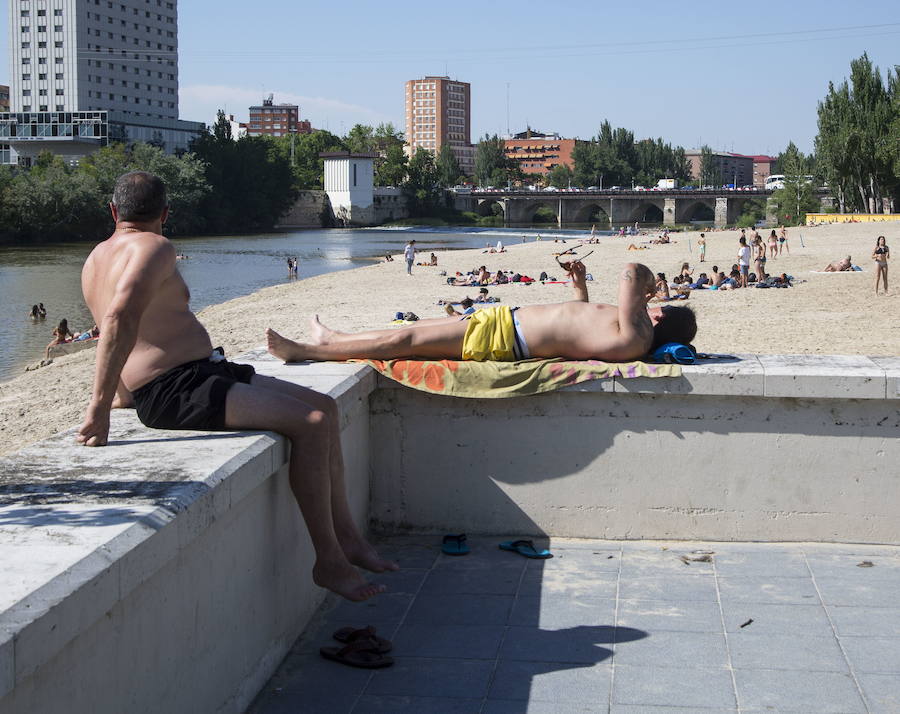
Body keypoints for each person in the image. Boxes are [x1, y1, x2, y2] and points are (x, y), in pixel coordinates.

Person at [75, 171, 395, 602]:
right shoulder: (156, 246)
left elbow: (118, 326)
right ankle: (329, 561)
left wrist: (121, 393)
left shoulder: (95, 257)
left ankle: (351, 541)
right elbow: (117, 318)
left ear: (113, 211)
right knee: (314, 421)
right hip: (176, 389)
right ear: (166, 214)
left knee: (327, 406)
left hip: (198, 375)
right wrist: (98, 405)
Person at [266, 262, 697, 365]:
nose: (654, 304)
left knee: (405, 342)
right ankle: (335, 338)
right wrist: (580, 286)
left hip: (506, 339)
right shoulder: (626, 330)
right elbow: (576, 325)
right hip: (503, 322)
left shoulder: (636, 335)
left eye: (659, 305)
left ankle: (311, 352)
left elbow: (629, 271)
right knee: (414, 327)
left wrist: (650, 283)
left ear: (659, 318)